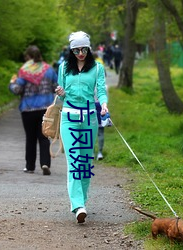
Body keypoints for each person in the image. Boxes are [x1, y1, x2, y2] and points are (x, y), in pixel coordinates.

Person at [55, 31, 108, 223]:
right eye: (76, 50)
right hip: (68, 118)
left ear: (89, 48)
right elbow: (61, 97)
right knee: (74, 162)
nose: (80, 53)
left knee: (85, 164)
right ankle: (77, 205)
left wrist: (104, 104)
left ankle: (82, 201)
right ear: (71, 50)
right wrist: (60, 92)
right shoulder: (64, 68)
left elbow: (101, 90)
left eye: (84, 49)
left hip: (89, 119)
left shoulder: (97, 68)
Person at [9, 45, 58, 175]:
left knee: (30, 138)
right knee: (44, 137)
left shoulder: (24, 71)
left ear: (28, 57)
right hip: (45, 109)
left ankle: (30, 166)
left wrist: (12, 83)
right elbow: (56, 87)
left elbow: (17, 90)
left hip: (28, 109)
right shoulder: (49, 70)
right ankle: (45, 163)